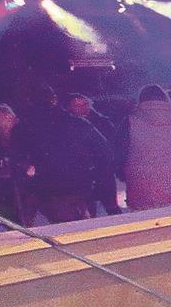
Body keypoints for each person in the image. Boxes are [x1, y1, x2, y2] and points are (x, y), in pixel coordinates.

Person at [12, 83, 113, 223]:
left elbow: (15, 158)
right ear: (54, 99)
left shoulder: (22, 128)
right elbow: (105, 153)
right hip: (78, 189)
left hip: (43, 192)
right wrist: (92, 176)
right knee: (82, 233)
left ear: (28, 100)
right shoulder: (78, 124)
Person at [117, 84, 171, 211]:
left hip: (144, 189)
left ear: (141, 100)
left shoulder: (129, 122)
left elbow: (119, 152)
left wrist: (123, 174)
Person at [64, 93, 121, 215]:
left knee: (111, 206)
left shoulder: (103, 122)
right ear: (69, 108)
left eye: (85, 104)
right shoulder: (68, 126)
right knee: (88, 208)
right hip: (83, 174)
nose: (82, 108)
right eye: (77, 106)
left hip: (104, 172)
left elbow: (113, 143)